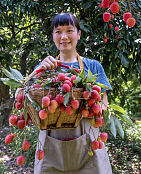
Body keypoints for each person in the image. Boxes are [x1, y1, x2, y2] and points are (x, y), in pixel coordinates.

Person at [18, 13, 113, 174]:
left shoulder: (93, 67)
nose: (64, 37)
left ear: (78, 34)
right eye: (58, 31)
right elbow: (19, 97)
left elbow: (104, 106)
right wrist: (41, 70)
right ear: (53, 36)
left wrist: (85, 100)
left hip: (88, 146)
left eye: (69, 30)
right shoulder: (43, 68)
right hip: (51, 148)